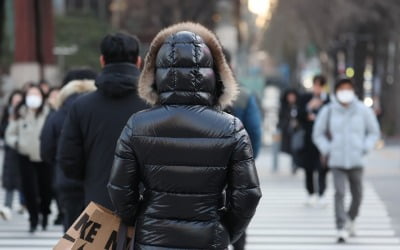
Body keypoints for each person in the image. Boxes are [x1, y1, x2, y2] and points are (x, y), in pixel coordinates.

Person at [108, 22, 262, 250]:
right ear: (214, 73)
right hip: (208, 238)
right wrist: (225, 231)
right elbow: (247, 195)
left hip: (152, 238)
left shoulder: (138, 125)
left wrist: (140, 219)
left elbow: (120, 189)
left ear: (156, 74)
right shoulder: (231, 128)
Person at [58, 33, 149, 210]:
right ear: (139, 62)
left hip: (97, 203)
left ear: (102, 61)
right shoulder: (153, 105)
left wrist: (92, 178)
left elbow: (68, 160)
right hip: (146, 206)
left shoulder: (81, 106)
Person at [313, 78, 380, 243]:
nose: (345, 92)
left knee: (358, 194)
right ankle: (341, 227)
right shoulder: (328, 110)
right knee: (339, 193)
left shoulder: (363, 110)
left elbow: (373, 132)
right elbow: (318, 133)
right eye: (341, 88)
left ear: (354, 91)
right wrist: (328, 148)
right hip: (336, 160)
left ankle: (351, 218)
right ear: (336, 92)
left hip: (357, 160)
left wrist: (365, 147)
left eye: (348, 88)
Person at [41, 69, 97, 231]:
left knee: (72, 231)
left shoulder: (58, 114)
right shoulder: (101, 109)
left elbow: (46, 149)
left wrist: (60, 165)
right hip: (97, 181)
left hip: (67, 181)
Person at [223, 48, 262, 250]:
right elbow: (255, 132)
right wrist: (248, 162)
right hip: (237, 167)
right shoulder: (244, 95)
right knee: (237, 212)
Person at [5, 85, 51, 232]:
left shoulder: (48, 112)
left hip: (44, 156)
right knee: (29, 189)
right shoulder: (20, 113)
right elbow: (9, 134)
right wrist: (17, 143)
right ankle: (33, 218)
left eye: (36, 93)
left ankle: (44, 214)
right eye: (30, 94)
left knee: (45, 189)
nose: (33, 96)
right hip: (25, 157)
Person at [298, 75, 330, 207]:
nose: (317, 88)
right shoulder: (306, 98)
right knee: (309, 167)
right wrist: (308, 108)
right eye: (316, 84)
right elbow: (299, 115)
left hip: (323, 138)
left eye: (320, 85)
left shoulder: (328, 100)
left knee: (323, 166)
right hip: (309, 138)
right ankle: (310, 193)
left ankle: (322, 193)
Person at [0, 90, 25, 220]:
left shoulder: (25, 113)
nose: (16, 103)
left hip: (23, 151)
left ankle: (24, 204)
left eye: (19, 100)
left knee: (24, 178)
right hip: (10, 151)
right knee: (9, 180)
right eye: (14, 100)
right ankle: (7, 206)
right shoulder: (7, 114)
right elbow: (2, 131)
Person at [278, 89, 300, 173]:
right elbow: (281, 119)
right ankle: (294, 164)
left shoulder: (298, 106)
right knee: (291, 148)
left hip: (297, 131)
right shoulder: (284, 107)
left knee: (296, 148)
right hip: (288, 131)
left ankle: (295, 164)